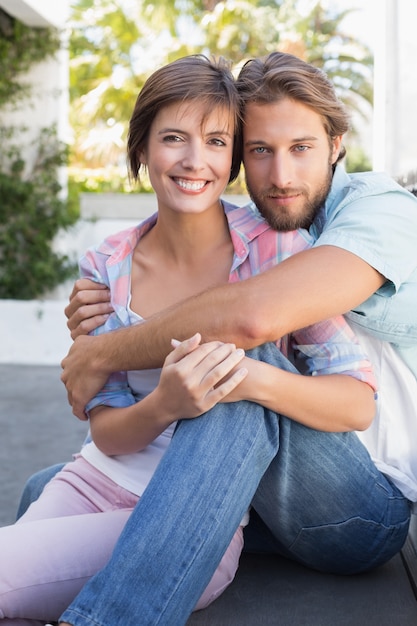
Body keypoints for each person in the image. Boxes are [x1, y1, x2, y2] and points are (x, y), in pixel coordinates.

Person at [21, 51, 417, 626]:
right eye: (259, 150)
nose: (281, 175)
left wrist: (100, 350)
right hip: (261, 490)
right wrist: (111, 312)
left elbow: (251, 319)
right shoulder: (240, 231)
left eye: (301, 148)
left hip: (359, 497)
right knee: (45, 489)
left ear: (337, 144)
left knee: (232, 362)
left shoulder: (381, 211)